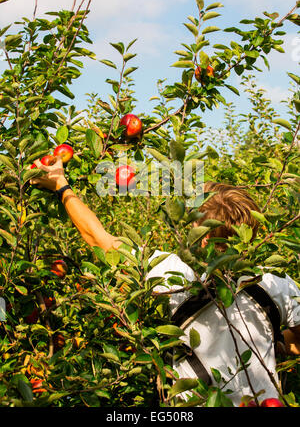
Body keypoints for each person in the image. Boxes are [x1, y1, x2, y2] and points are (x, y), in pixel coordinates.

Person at [30, 157, 300, 406]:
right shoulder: (276, 282)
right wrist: (274, 342)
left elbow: (99, 239)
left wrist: (61, 185)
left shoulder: (175, 273)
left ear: (204, 238)